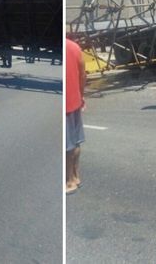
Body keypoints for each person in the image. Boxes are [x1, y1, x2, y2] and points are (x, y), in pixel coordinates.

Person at [65, 36, 86, 194]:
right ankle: (76, 176)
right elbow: (82, 75)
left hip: (66, 104)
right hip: (75, 100)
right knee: (76, 141)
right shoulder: (75, 47)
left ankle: (69, 180)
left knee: (67, 145)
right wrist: (81, 96)